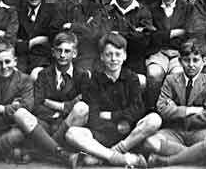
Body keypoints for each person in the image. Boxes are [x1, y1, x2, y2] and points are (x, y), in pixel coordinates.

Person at [65, 33, 159, 167]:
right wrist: (120, 119)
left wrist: (111, 115)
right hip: (101, 134)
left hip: (128, 135)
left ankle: (110, 154)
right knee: (72, 133)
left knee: (154, 119)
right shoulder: (93, 82)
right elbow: (93, 116)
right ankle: (120, 158)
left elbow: (138, 109)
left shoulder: (132, 78)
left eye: (117, 54)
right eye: (109, 54)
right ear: (102, 57)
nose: (113, 59)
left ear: (125, 56)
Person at [144, 39, 206, 167]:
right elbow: (162, 110)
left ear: (204, 61)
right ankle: (198, 156)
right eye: (187, 60)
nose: (191, 65)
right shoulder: (171, 80)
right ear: (180, 61)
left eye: (196, 60)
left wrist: (175, 110)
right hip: (174, 131)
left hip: (199, 132)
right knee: (149, 141)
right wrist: (191, 110)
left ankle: (168, 161)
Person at [31, 32, 91, 167]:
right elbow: (36, 104)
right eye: (59, 51)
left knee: (82, 108)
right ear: (53, 52)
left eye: (67, 51)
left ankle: (44, 152)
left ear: (74, 53)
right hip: (47, 121)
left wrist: (52, 104)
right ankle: (58, 153)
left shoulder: (82, 76)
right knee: (29, 121)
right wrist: (63, 109)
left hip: (70, 124)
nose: (62, 55)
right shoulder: (43, 74)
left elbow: (85, 104)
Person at [88, 0, 154, 74]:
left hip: (134, 60)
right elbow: (98, 35)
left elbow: (144, 41)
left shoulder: (143, 12)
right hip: (108, 61)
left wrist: (117, 34)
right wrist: (133, 33)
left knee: (140, 81)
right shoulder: (105, 10)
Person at [145, 0, 194, 109]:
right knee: (154, 74)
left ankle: (174, 111)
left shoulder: (187, 9)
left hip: (179, 53)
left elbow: (189, 33)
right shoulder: (151, 9)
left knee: (178, 74)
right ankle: (152, 109)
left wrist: (162, 34)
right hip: (158, 52)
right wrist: (174, 33)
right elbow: (150, 35)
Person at [53, 0, 101, 71]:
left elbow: (93, 33)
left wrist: (72, 26)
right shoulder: (62, 5)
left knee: (84, 75)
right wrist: (84, 27)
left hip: (86, 52)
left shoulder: (95, 8)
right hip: (64, 51)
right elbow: (56, 29)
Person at [16, 0, 57, 79]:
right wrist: (34, 42)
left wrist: (23, 43)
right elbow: (12, 42)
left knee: (36, 76)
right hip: (20, 59)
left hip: (43, 59)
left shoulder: (52, 12)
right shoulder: (17, 13)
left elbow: (52, 40)